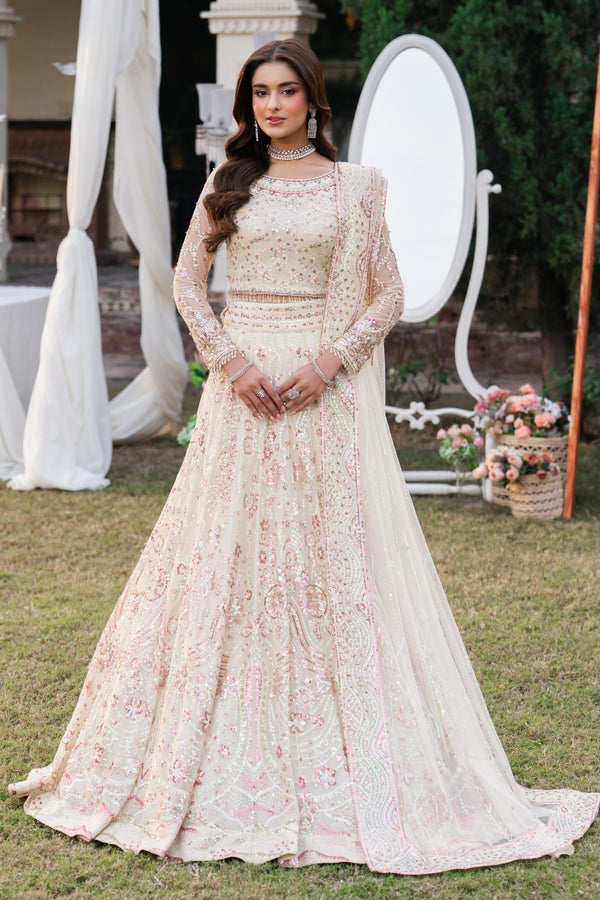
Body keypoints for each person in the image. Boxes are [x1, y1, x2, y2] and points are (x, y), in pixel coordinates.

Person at [9, 38, 598, 873]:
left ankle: (341, 739)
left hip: (321, 390)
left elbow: (387, 290)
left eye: (287, 91)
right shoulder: (227, 180)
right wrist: (231, 362)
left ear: (313, 99)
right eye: (260, 93)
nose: (272, 106)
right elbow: (186, 280)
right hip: (243, 387)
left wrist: (331, 362)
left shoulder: (355, 189)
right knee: (226, 553)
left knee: (330, 558)